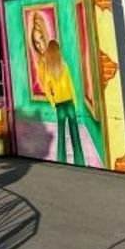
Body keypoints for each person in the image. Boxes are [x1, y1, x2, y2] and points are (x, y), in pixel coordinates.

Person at [29, 11, 84, 166]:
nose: (39, 46)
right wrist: (74, 101)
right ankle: (79, 160)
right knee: (74, 133)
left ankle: (62, 159)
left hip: (61, 104)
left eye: (41, 40)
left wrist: (53, 102)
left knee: (62, 134)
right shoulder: (59, 66)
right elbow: (70, 86)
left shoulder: (52, 68)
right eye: (36, 43)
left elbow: (48, 88)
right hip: (67, 103)